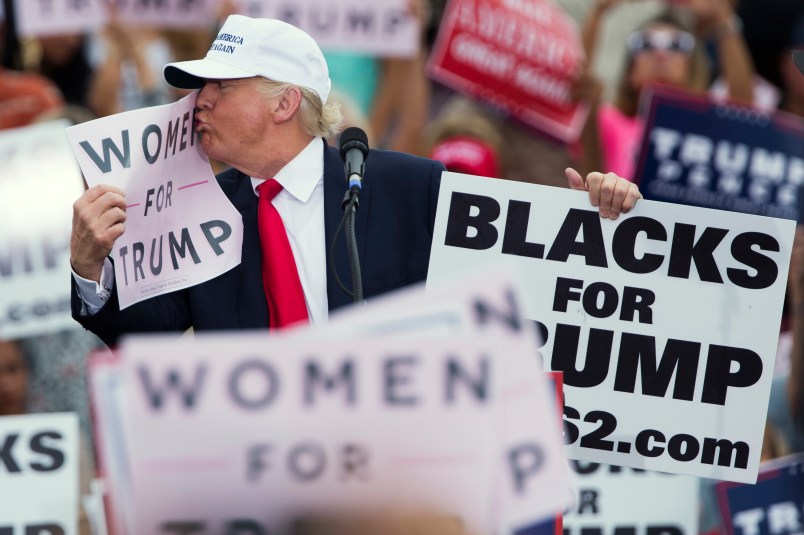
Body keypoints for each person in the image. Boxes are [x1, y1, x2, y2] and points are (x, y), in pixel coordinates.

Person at [69, 15, 642, 348]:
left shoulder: (405, 185)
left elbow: (523, 269)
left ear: (284, 103)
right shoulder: (200, 212)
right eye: (200, 88)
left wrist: (593, 218)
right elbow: (145, 336)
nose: (201, 101)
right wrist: (89, 268)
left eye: (223, 87)